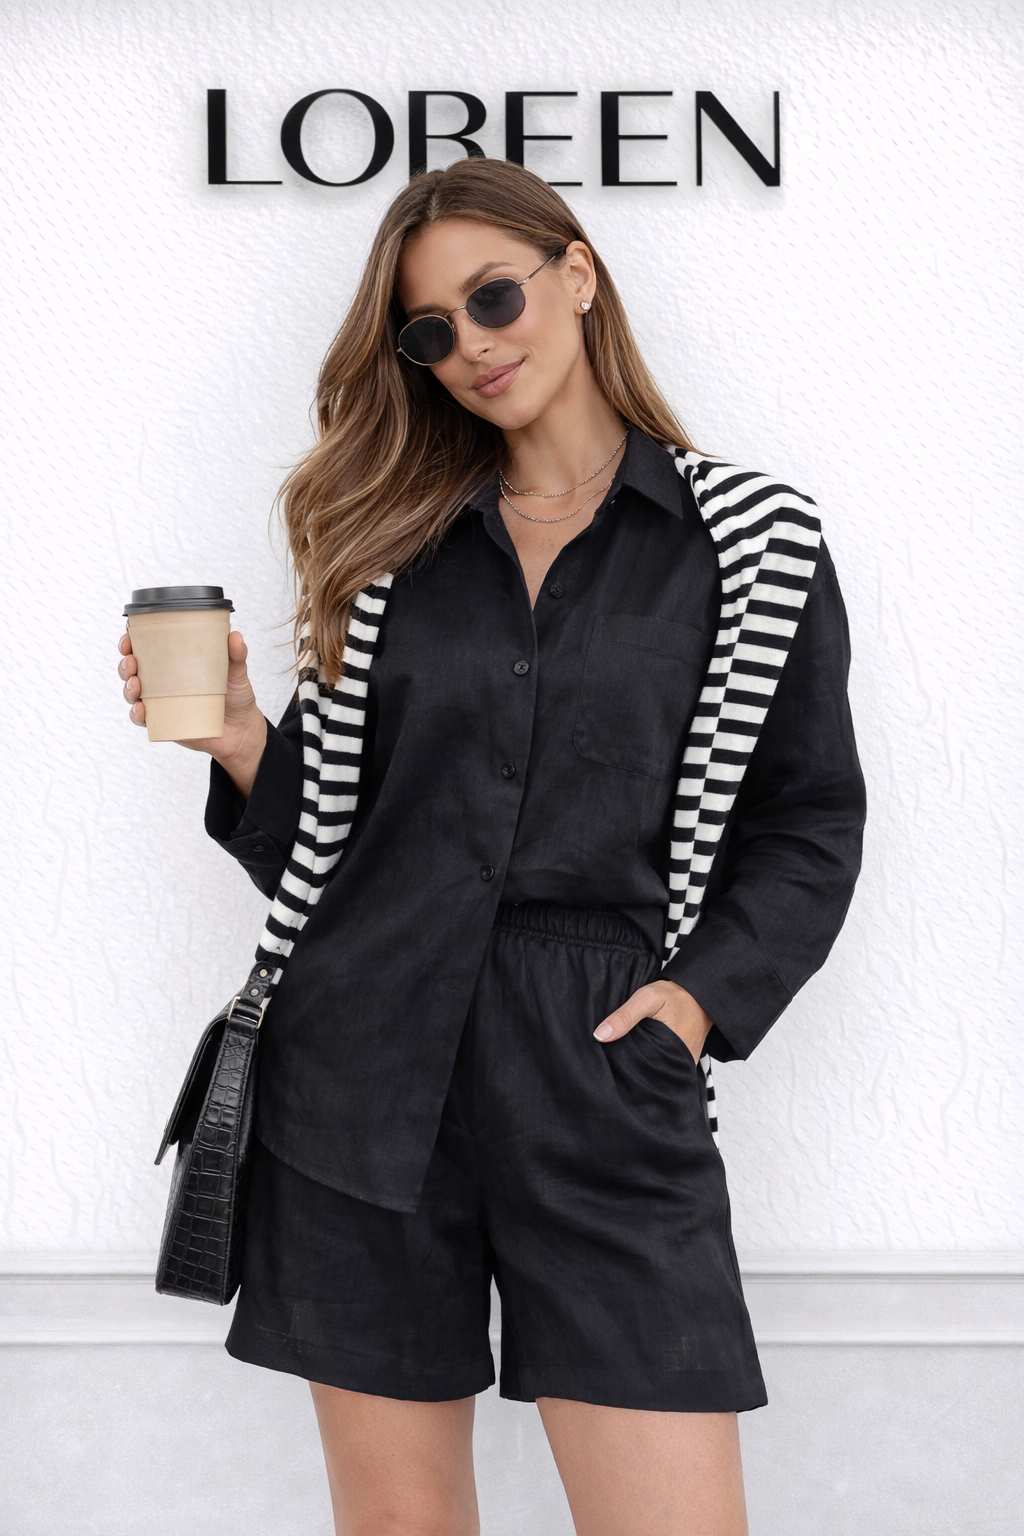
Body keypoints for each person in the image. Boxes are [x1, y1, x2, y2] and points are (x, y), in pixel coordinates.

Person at [118, 158, 865, 1536]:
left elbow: (808, 820)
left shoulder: (751, 541)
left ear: (578, 275)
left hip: (602, 1064)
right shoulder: (388, 550)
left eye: (494, 297)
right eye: (429, 330)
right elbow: (337, 857)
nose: (470, 342)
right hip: (361, 1069)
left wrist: (694, 1006)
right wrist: (241, 740)